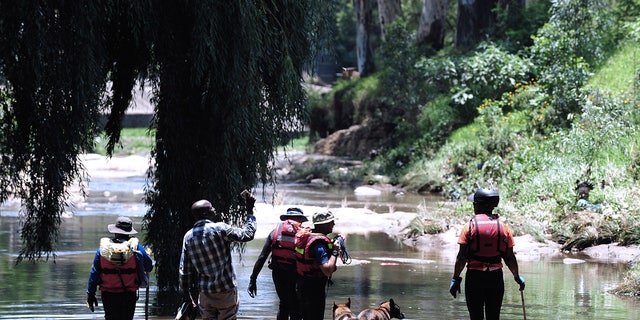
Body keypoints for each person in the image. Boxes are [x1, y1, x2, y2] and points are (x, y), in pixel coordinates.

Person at [449, 188, 525, 320]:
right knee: (494, 316)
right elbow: (509, 257)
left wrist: (456, 278)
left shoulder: (469, 226)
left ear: (477, 205)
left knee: (475, 316)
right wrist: (516, 276)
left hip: (474, 278)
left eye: (474, 203)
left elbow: (461, 257)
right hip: (495, 278)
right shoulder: (504, 227)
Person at [179, 193, 256, 320]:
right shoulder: (220, 228)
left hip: (205, 294)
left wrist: (187, 296)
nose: (214, 210)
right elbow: (248, 234)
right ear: (206, 214)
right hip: (226, 291)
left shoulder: (188, 237)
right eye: (212, 208)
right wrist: (249, 211)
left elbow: (184, 271)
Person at [86, 216, 154, 320]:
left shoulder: (103, 250)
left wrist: (90, 294)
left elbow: (94, 274)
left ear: (115, 231)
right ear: (129, 232)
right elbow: (149, 267)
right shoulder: (136, 249)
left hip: (108, 295)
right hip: (128, 294)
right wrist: (146, 255)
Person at [248, 207, 308, 320]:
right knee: (296, 308)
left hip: (278, 274)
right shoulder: (303, 234)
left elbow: (262, 257)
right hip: (295, 275)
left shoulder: (274, 233)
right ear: (299, 219)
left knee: (284, 303)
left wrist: (253, 279)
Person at [294, 210, 342, 320]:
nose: (333, 224)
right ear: (324, 224)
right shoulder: (318, 244)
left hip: (302, 284)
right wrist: (335, 251)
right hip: (313, 289)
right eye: (331, 222)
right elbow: (327, 270)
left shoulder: (307, 237)